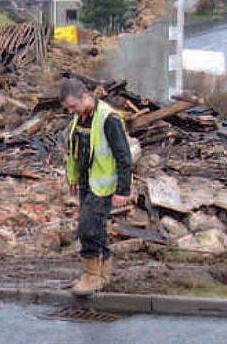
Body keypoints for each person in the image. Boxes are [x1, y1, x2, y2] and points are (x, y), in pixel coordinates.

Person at [59, 78, 134, 297]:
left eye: (73, 106)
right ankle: (98, 273)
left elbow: (123, 156)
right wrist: (72, 178)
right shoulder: (80, 118)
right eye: (68, 108)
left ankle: (92, 275)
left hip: (104, 184)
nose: (71, 111)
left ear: (85, 96)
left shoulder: (108, 119)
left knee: (87, 228)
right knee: (95, 228)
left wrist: (123, 190)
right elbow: (75, 152)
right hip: (86, 183)